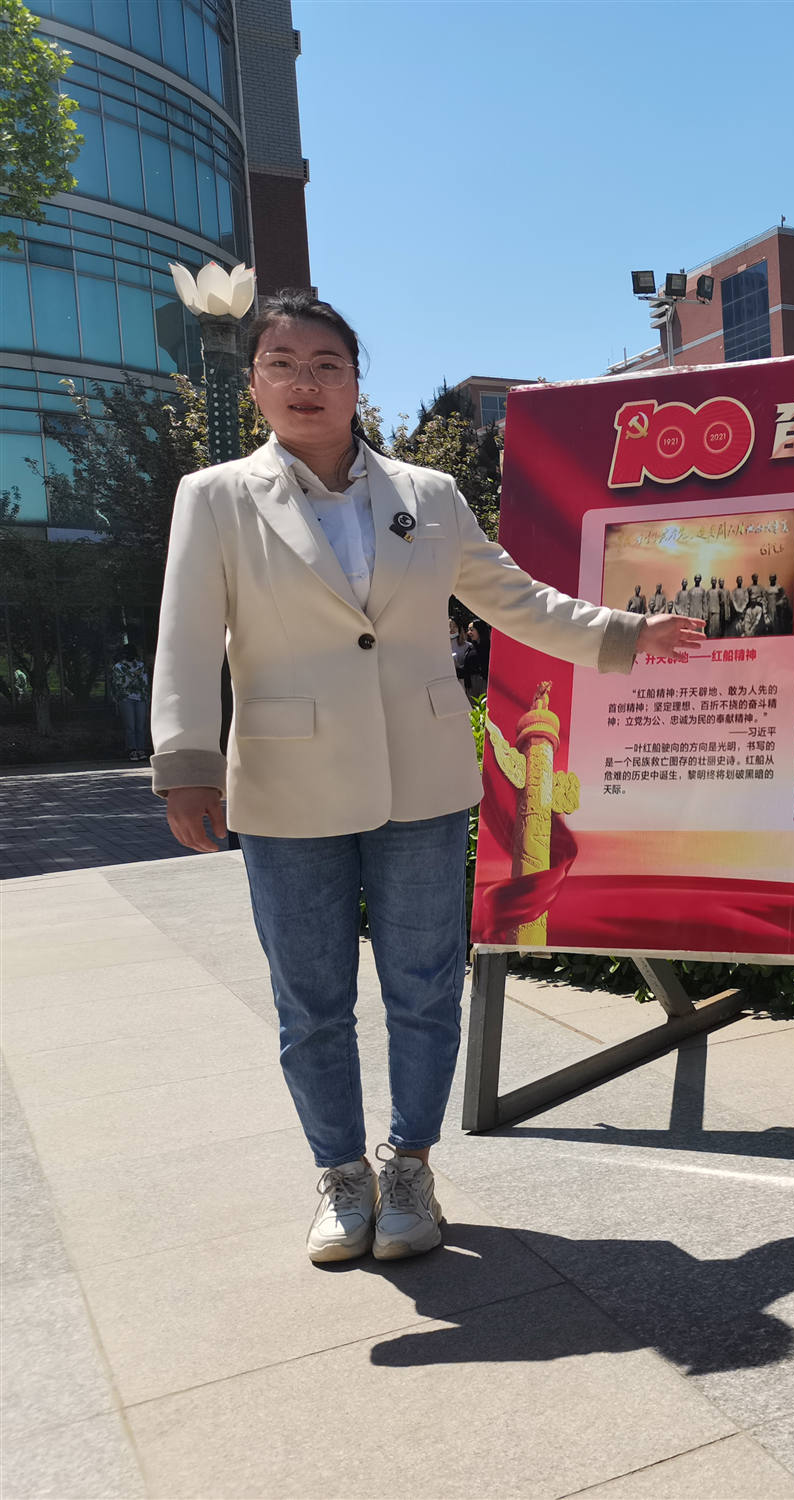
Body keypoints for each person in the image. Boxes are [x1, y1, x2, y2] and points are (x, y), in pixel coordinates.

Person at [149, 290, 704, 1265]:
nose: (306, 382)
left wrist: (622, 633)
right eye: (282, 364)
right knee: (310, 1001)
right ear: (254, 384)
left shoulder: (429, 495)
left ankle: (409, 1166)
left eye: (327, 364)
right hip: (286, 783)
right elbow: (189, 638)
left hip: (422, 780)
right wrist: (186, 763)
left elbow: (512, 598)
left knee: (423, 987)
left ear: (357, 381)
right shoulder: (217, 498)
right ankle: (340, 1174)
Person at [109, 643, 151, 760]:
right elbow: (120, 684)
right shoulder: (118, 667)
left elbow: (144, 682)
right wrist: (133, 676)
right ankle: (132, 750)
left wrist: (146, 697)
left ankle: (141, 749)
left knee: (140, 726)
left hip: (140, 698)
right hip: (126, 698)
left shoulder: (140, 665)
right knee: (130, 726)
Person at [461, 620, 490, 697]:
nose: (468, 632)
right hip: (471, 684)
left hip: (484, 684)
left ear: (480, 630)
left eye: (471, 630)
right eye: (468, 630)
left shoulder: (489, 647)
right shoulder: (471, 647)